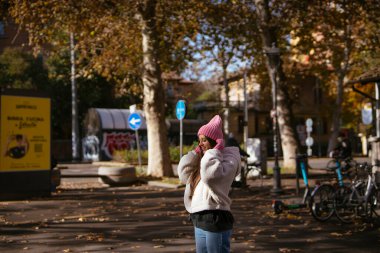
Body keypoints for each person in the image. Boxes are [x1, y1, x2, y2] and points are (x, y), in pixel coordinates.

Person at [177, 115, 241, 253]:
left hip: (215, 217)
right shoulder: (205, 160)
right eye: (199, 140)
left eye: (204, 140)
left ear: (215, 141)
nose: (200, 144)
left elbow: (211, 177)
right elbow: (183, 174)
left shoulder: (227, 160)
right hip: (199, 218)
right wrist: (195, 153)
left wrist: (214, 151)